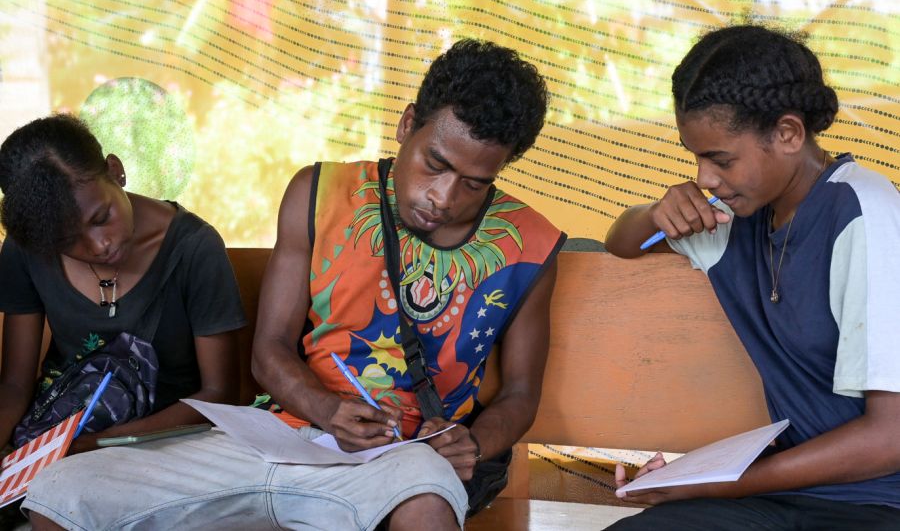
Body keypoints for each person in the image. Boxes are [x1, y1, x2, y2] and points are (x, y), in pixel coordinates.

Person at [24, 38, 566, 531]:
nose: (443, 197)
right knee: (62, 494)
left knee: (425, 505)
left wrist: (474, 442)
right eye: (434, 164)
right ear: (406, 126)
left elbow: (520, 393)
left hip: (401, 460)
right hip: (276, 440)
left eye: (475, 182)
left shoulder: (530, 246)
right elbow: (269, 352)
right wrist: (325, 410)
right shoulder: (319, 193)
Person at [604, 24, 900, 529]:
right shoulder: (735, 216)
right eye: (695, 157)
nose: (704, 178)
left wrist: (712, 481)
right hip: (782, 495)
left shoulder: (862, 212)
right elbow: (621, 242)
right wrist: (658, 212)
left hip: (875, 504)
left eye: (720, 159)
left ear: (787, 134)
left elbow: (889, 437)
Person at [0, 114, 246, 519]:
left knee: (61, 506)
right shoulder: (27, 250)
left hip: (163, 444)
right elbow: (13, 384)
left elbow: (220, 395)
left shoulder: (195, 248)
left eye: (101, 218)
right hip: (54, 440)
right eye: (67, 242)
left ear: (115, 171)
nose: (99, 245)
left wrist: (97, 445)